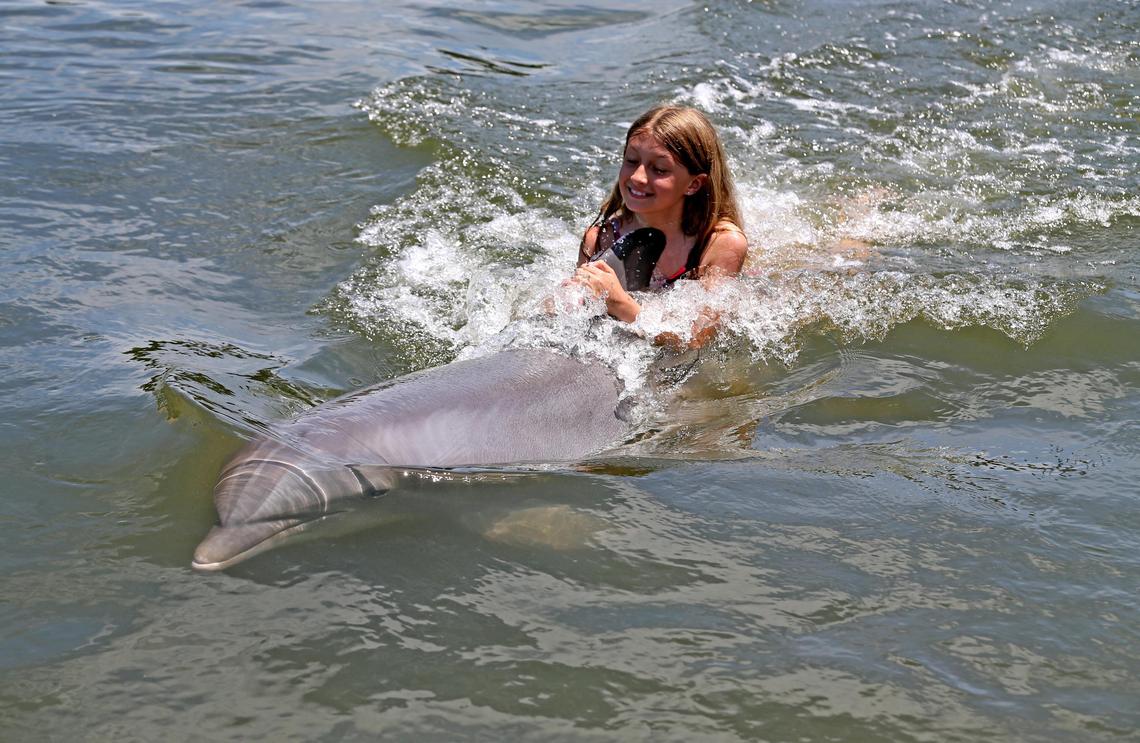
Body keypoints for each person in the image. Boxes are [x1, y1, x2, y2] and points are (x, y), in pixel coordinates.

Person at [572, 105, 748, 346]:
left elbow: (698, 339)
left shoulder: (721, 244)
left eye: (659, 169)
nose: (637, 177)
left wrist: (620, 304)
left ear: (694, 184)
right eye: (632, 161)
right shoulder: (600, 239)